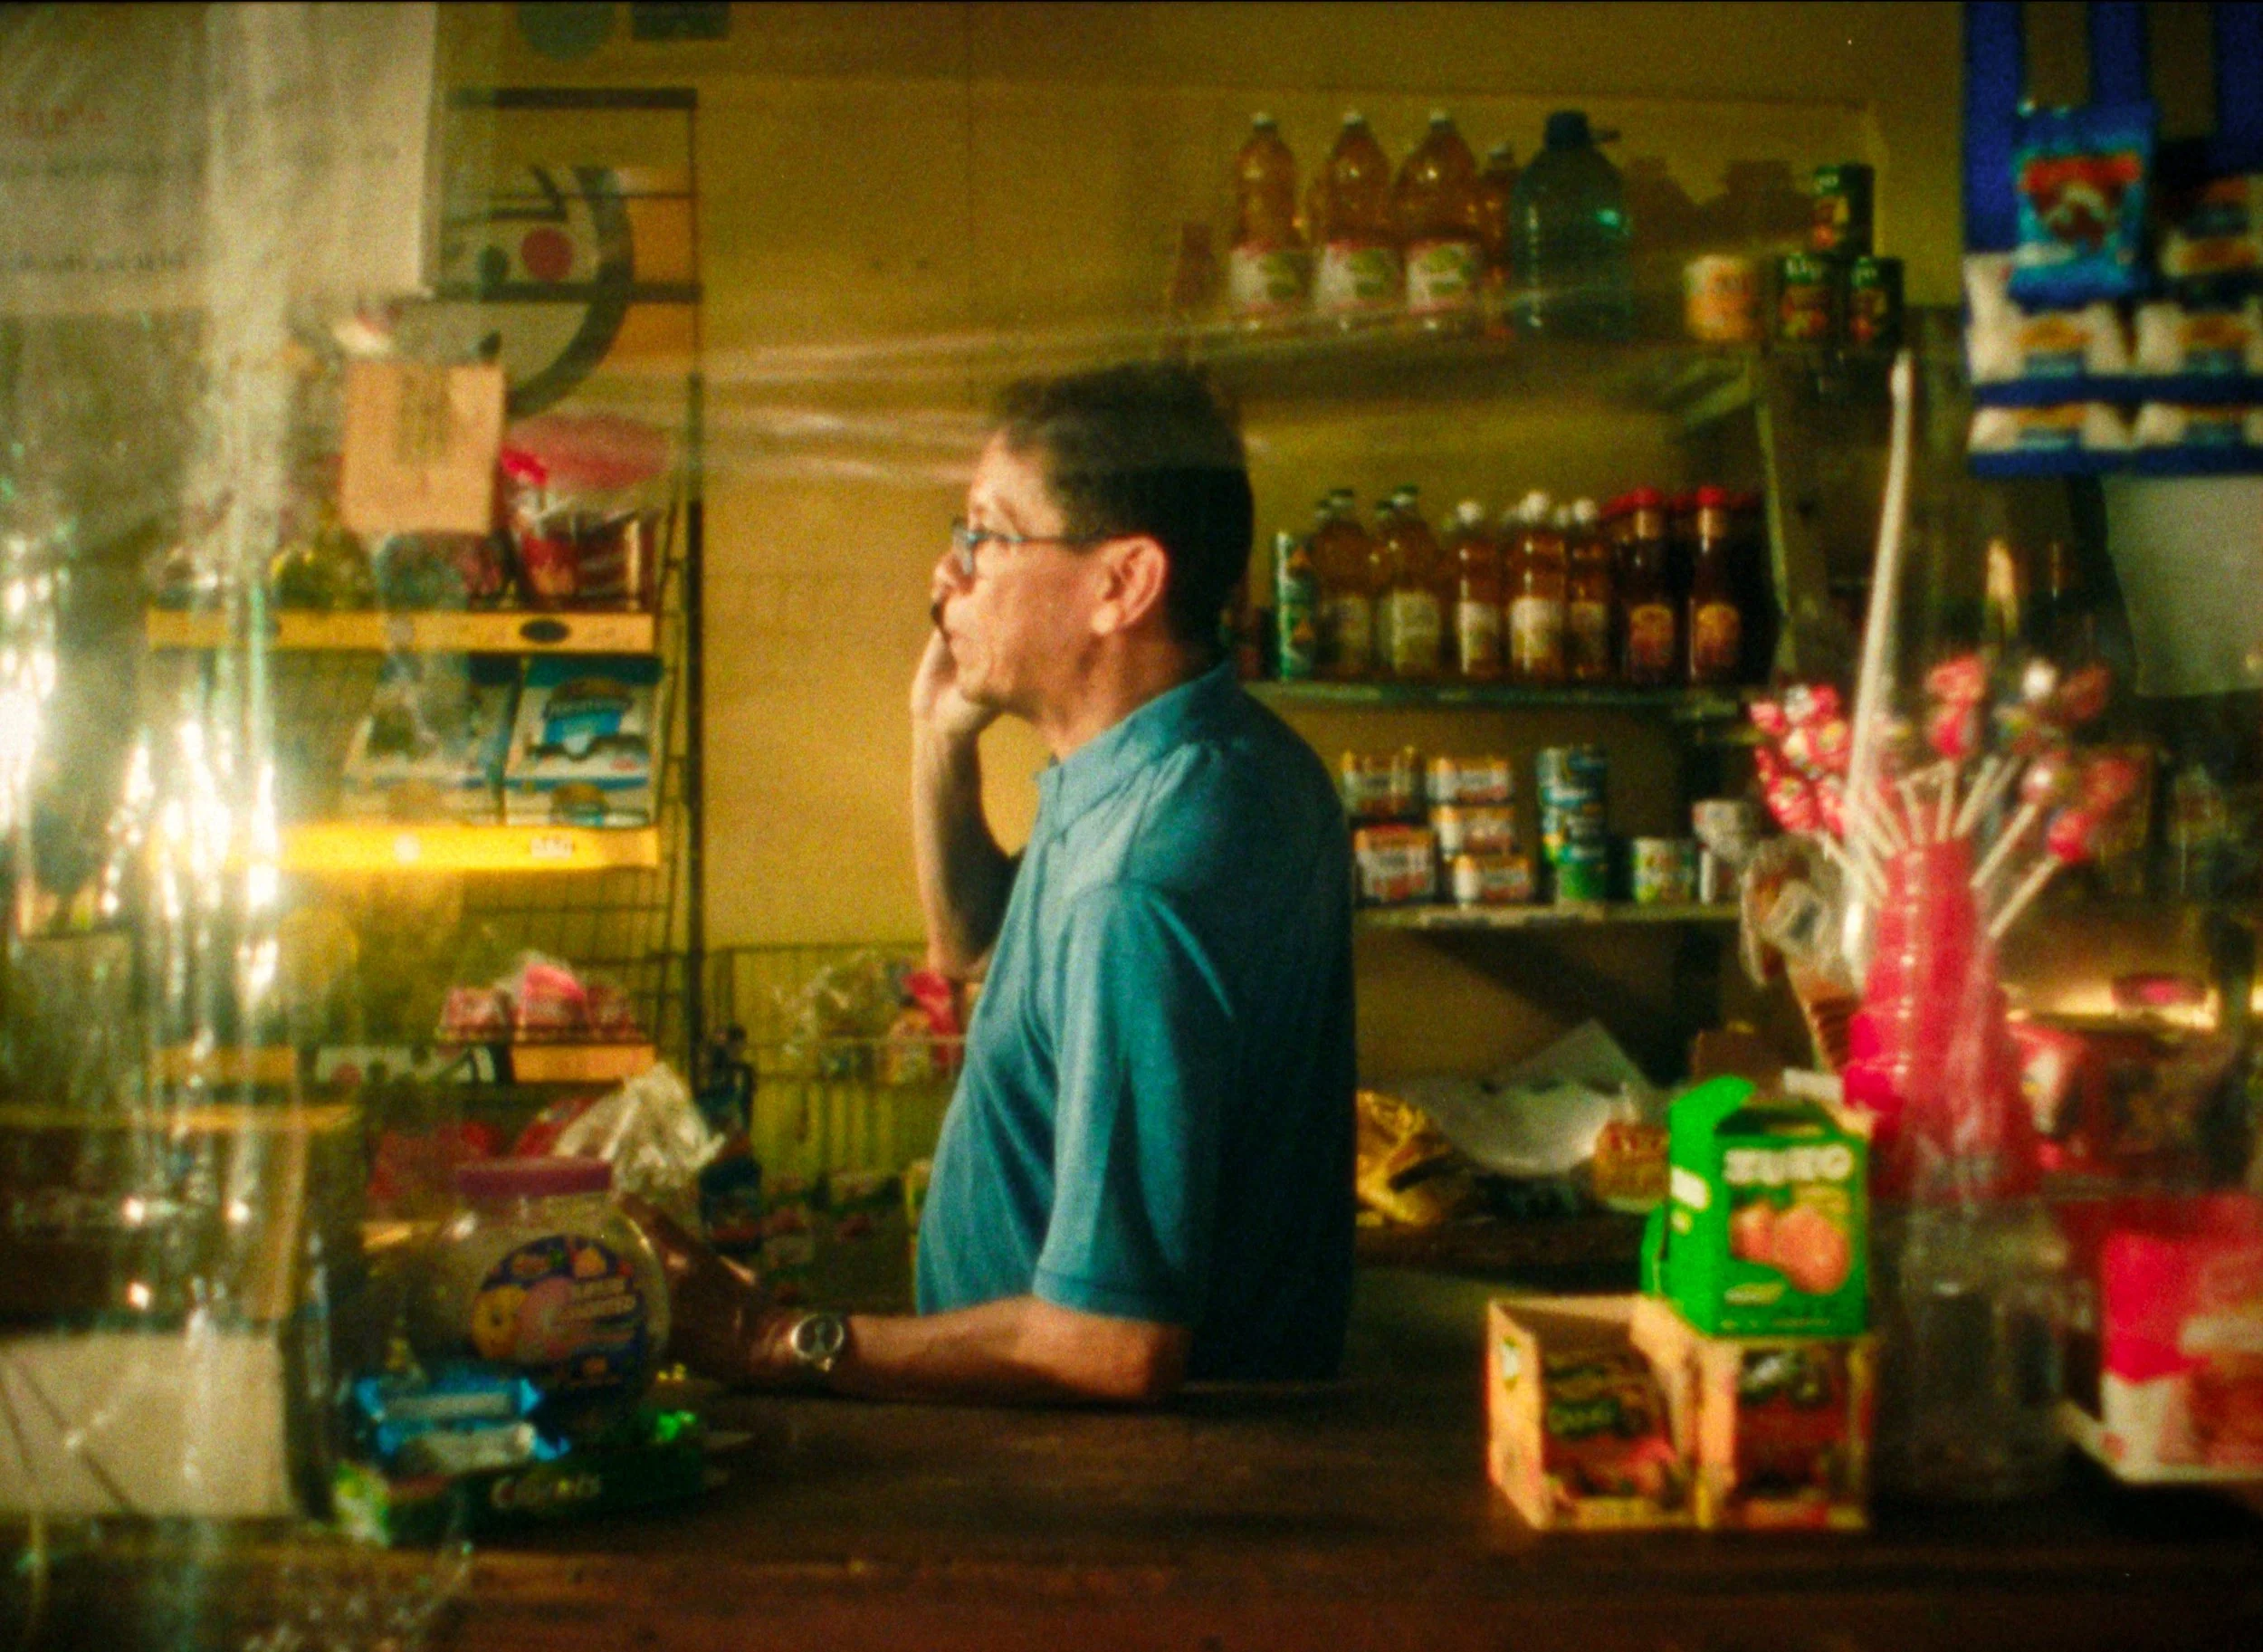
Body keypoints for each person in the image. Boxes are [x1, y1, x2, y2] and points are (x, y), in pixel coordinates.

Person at [636, 362, 1356, 1404]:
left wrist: (764, 1335)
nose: (950, 572)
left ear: (1122, 583)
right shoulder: (1190, 764)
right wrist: (938, 738)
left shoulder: (1143, 877)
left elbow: (1111, 1348)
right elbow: (972, 949)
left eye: (988, 534)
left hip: (1111, 1478)